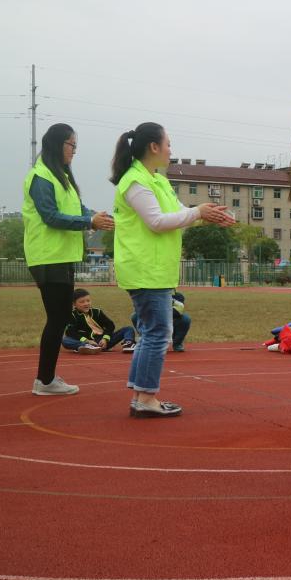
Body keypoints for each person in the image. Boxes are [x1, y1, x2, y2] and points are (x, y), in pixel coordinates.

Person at [111, 121, 234, 417]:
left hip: (155, 269)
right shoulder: (136, 181)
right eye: (168, 144)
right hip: (145, 270)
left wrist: (205, 216)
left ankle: (141, 394)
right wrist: (197, 212)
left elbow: (178, 214)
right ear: (153, 147)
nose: (170, 150)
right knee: (157, 334)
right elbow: (156, 222)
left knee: (150, 333)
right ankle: (146, 398)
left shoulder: (158, 180)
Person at [23, 124, 114, 393]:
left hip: (60, 256)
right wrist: (88, 221)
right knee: (58, 318)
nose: (74, 151)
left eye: (75, 145)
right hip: (48, 256)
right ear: (57, 144)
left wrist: (96, 218)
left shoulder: (61, 176)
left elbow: (77, 209)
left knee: (60, 317)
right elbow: (50, 216)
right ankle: (44, 380)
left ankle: (46, 378)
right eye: (71, 145)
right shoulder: (41, 176)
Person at [63, 288, 136, 354]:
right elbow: (70, 332)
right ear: (74, 304)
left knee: (128, 329)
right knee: (65, 340)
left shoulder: (97, 312)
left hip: (103, 342)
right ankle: (86, 346)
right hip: (86, 341)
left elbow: (110, 325)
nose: (86, 304)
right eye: (82, 302)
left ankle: (128, 343)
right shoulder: (72, 315)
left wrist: (105, 339)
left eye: (88, 301)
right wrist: (86, 341)